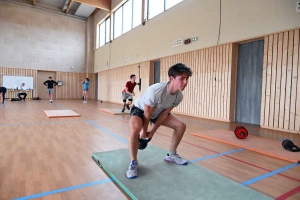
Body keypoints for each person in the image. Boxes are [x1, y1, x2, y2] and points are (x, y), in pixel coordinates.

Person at [126, 63, 193, 179]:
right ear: (172, 78)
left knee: (181, 126)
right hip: (140, 110)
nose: (186, 82)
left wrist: (152, 132)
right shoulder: (156, 90)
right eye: (182, 78)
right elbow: (147, 113)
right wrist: (144, 131)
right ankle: (133, 162)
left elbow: (164, 114)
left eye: (187, 79)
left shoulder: (179, 96)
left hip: (158, 112)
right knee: (134, 131)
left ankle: (171, 155)